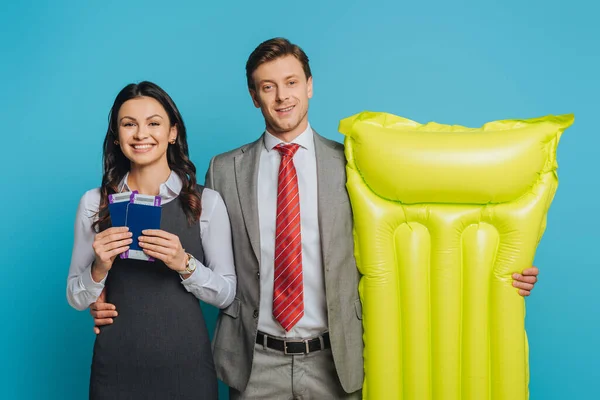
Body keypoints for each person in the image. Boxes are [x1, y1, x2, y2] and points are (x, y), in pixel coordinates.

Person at [91, 39, 540, 399]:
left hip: (336, 361)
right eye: (268, 86)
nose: (282, 96)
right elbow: (204, 264)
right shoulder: (224, 170)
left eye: (291, 82)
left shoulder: (355, 163)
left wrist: (495, 272)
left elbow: (413, 236)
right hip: (254, 361)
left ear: (309, 85)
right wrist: (112, 297)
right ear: (254, 96)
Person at [67, 81, 236, 400]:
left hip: (188, 370)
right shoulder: (94, 202)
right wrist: (99, 268)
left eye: (153, 123)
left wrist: (184, 264)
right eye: (129, 124)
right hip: (115, 370)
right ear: (117, 137)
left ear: (173, 132)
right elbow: (75, 297)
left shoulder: (205, 202)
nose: (141, 134)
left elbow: (227, 293)